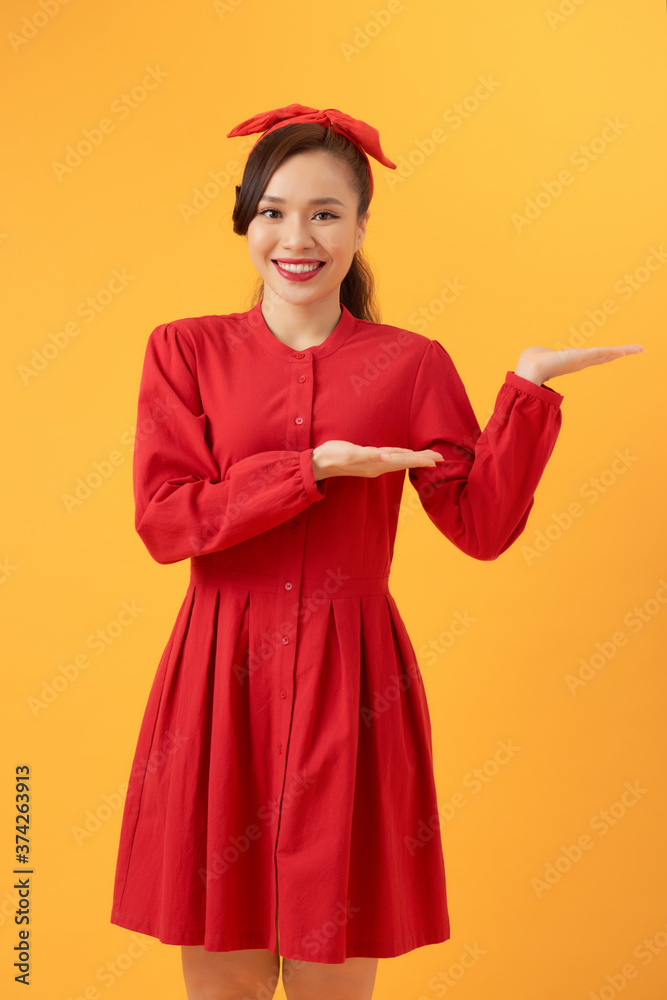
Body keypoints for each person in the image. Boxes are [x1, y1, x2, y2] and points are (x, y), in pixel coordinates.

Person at [109, 104, 643, 1000]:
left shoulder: (410, 364)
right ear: (245, 220)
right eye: (273, 211)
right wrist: (309, 468)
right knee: (224, 983)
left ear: (360, 226)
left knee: (332, 985)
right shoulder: (185, 351)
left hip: (351, 684)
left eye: (325, 213)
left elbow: (479, 527)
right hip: (217, 677)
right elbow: (167, 522)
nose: (297, 237)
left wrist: (528, 391)